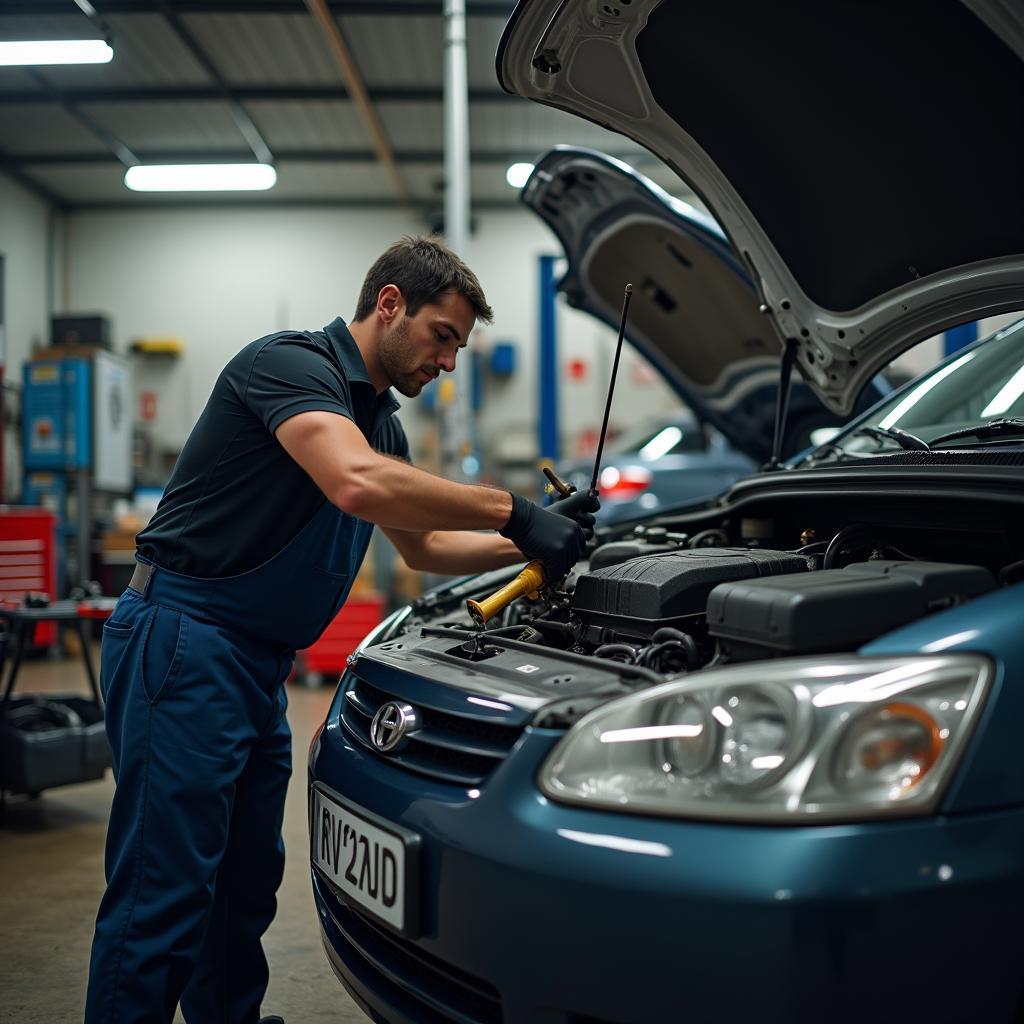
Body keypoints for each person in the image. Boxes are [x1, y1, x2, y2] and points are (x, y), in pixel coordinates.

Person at [85, 235, 599, 1024]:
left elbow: (423, 548)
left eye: (460, 347)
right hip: (184, 640)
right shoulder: (290, 366)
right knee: (163, 890)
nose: (449, 363)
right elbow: (354, 485)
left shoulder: (379, 427)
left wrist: (537, 540)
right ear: (389, 303)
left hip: (255, 665)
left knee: (242, 885)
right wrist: (514, 510)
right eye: (443, 337)